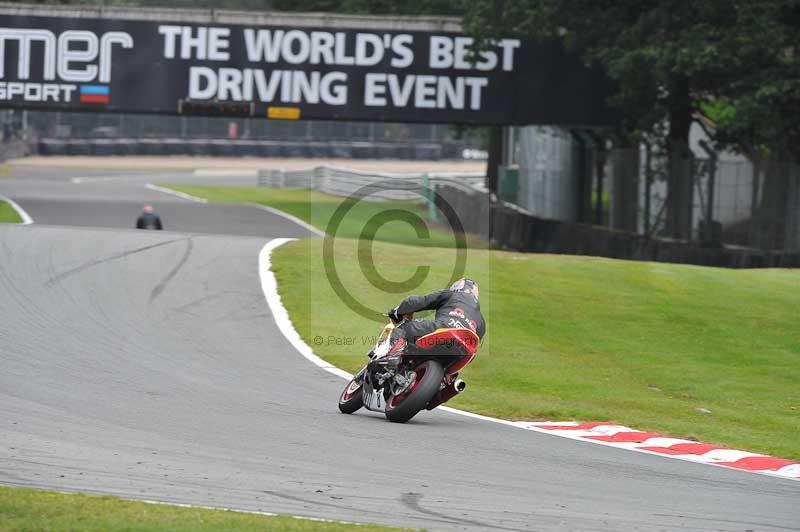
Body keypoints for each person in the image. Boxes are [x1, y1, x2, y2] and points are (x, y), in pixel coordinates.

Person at [382, 278, 486, 360]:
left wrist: (396, 312)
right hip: (461, 351)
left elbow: (414, 302)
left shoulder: (452, 294)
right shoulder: (481, 322)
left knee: (404, 329)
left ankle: (390, 358)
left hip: (443, 329)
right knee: (448, 379)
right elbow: (474, 350)